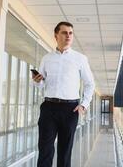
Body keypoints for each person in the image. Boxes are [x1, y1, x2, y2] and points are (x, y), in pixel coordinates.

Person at [33, 21, 95, 167]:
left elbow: (90, 83)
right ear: (56, 35)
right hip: (48, 107)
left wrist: (83, 105)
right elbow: (41, 85)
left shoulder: (80, 58)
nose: (68, 36)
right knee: (45, 149)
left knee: (65, 151)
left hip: (70, 109)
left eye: (71, 33)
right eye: (64, 32)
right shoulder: (46, 59)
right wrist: (37, 81)